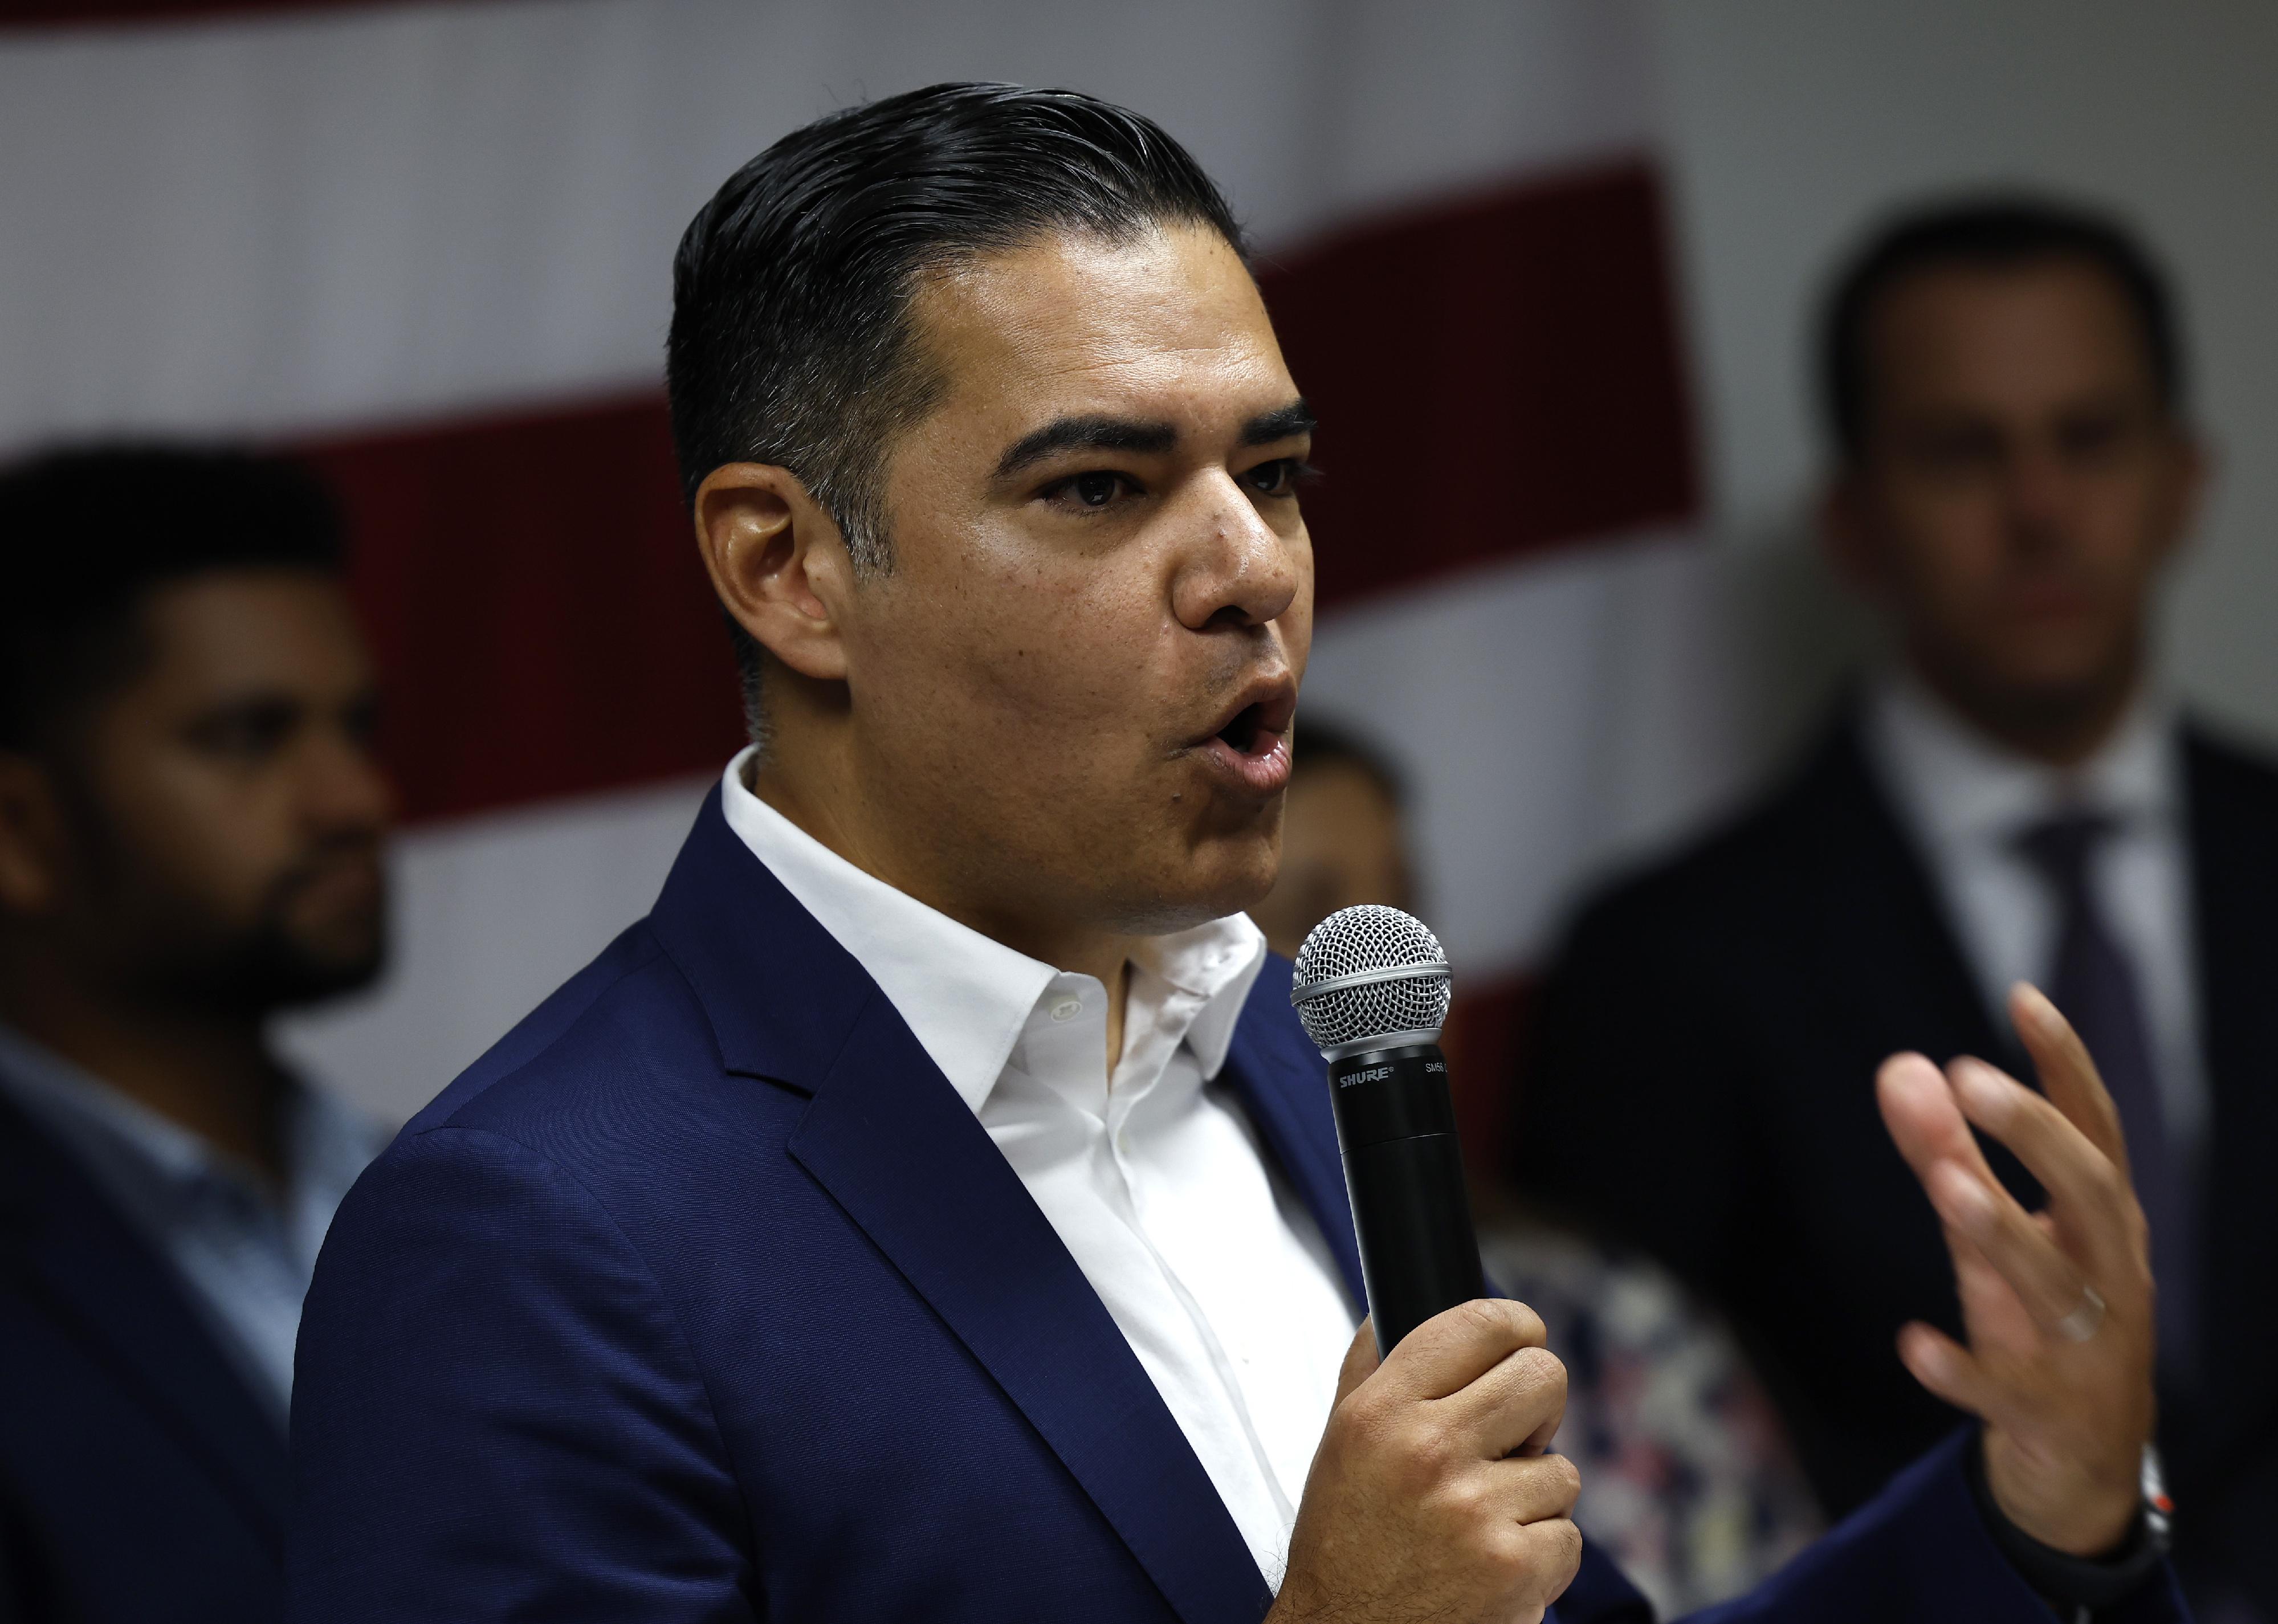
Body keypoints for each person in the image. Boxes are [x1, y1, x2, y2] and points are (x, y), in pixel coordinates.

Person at [290, 88, 2183, 1623]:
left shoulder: (1287, 1040)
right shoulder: (531, 1240)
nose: (1250, 569)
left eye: (1269, 475)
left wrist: (2031, 1519)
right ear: (787, 569)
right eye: (1098, 487)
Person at [1517, 196, 2276, 1621]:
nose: (2039, 506)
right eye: (1961, 451)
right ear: (1853, 521)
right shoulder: (1665, 961)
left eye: (2090, 438)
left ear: (2184, 480)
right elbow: (1631, 1456)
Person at [1253, 720, 1821, 1615]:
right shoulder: (1205, 1334)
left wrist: (2021, 1507)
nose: (1394, 988)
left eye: (1405, 909)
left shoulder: (1611, 1323)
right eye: (1312, 926)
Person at [0, 447, 394, 1624]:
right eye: (247, 737)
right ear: (18, 829)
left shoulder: (442, 1192)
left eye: (355, 727)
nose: (353, 801)